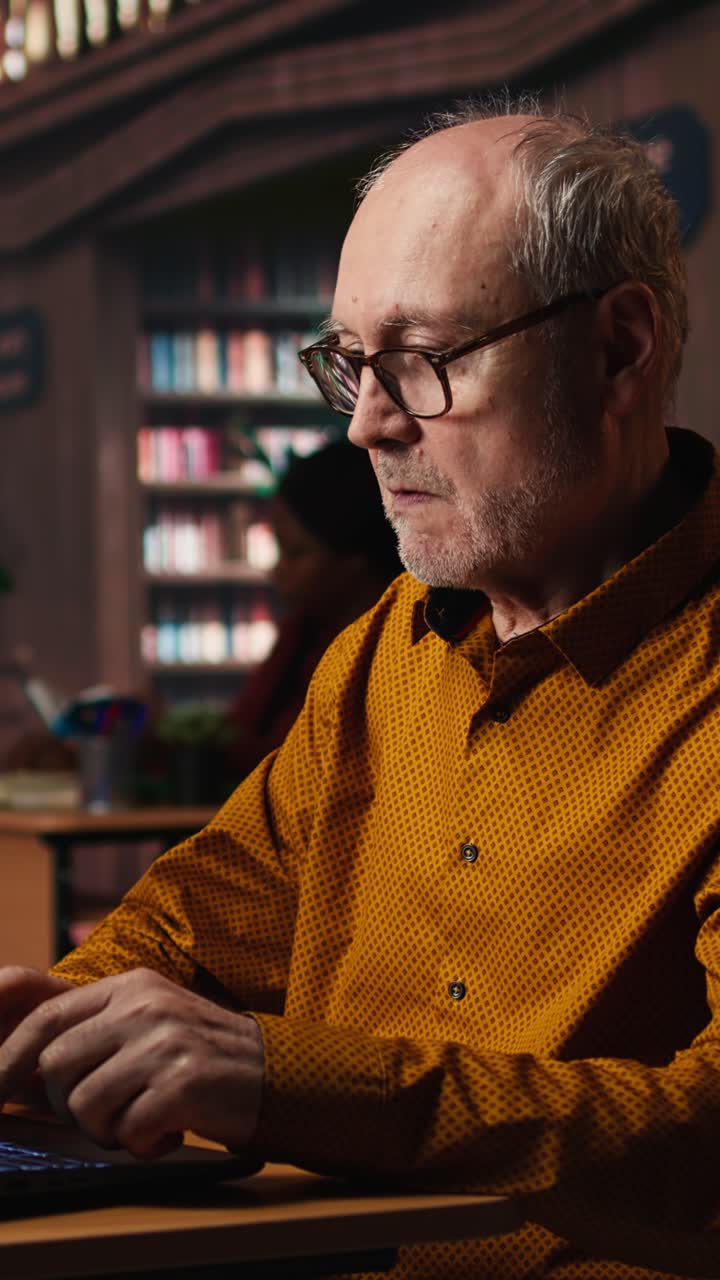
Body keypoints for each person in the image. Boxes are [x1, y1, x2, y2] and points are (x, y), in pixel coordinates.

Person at [2, 94, 720, 1279]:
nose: (370, 426)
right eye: (349, 363)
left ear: (620, 349)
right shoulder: (385, 645)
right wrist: (46, 1023)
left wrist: (289, 1083)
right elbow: (201, 915)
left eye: (425, 358)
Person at [225, 438, 402, 777]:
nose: (277, 570)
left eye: (295, 553)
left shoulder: (391, 659)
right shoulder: (301, 634)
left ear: (355, 559)